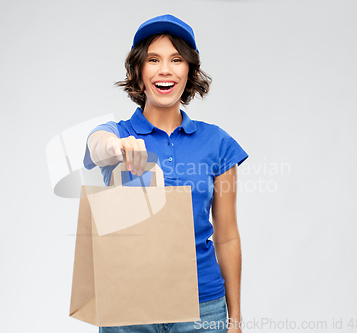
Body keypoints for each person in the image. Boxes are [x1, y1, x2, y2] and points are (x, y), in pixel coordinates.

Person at [83, 14, 248, 333]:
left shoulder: (217, 143)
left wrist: (235, 319)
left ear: (189, 71)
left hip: (201, 308)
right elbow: (95, 146)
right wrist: (115, 147)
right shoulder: (117, 132)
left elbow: (227, 236)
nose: (165, 69)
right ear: (139, 72)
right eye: (153, 59)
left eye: (176, 59)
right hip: (127, 308)